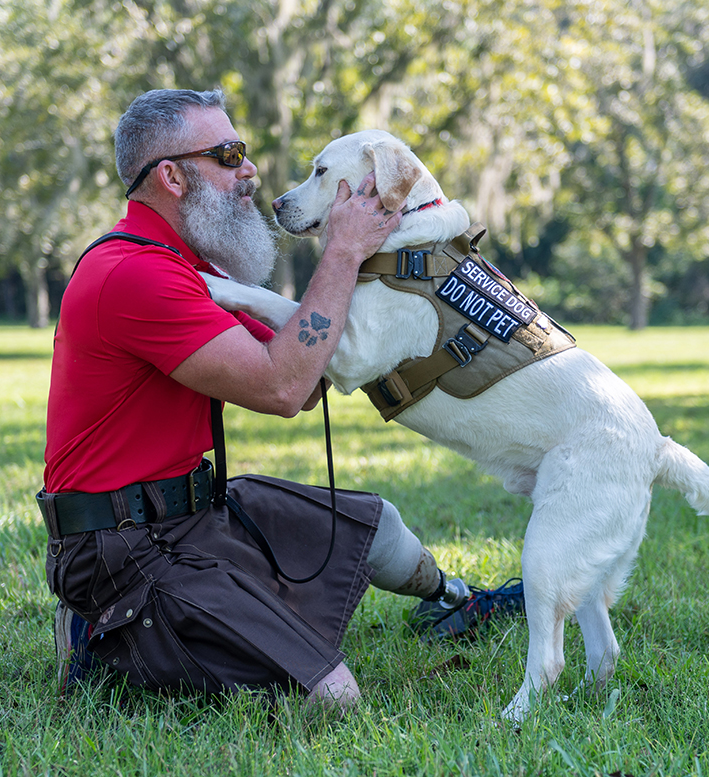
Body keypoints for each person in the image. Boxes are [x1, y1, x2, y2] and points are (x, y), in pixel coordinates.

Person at [38, 87, 524, 709]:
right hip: (120, 552)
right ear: (172, 176)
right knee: (334, 697)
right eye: (229, 154)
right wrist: (344, 250)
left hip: (193, 515)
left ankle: (458, 601)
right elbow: (283, 384)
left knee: (376, 527)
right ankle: (101, 636)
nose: (251, 171)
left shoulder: (188, 270)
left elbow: (310, 378)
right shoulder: (134, 275)